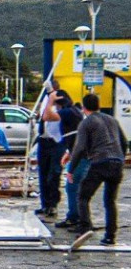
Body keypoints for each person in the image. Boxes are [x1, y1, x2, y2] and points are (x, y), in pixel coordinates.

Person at [64, 93, 128, 245]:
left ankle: (85, 228)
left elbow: (79, 148)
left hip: (100, 162)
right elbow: (124, 142)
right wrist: (121, 158)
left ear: (84, 108)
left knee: (83, 196)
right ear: (99, 105)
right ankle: (110, 236)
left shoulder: (86, 123)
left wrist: (71, 169)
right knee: (110, 201)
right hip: (117, 162)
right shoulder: (112, 120)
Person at [55, 94, 87, 229]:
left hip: (82, 157)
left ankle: (75, 217)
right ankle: (76, 217)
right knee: (75, 187)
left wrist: (50, 99)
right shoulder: (76, 113)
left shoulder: (68, 112)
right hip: (80, 155)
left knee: (72, 186)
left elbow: (47, 116)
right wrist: (68, 153)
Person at [35, 85, 67, 217]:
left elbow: (47, 117)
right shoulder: (45, 102)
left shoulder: (58, 105)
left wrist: (51, 100)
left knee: (54, 173)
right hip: (43, 140)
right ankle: (45, 204)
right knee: (43, 173)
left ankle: (53, 204)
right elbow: (41, 116)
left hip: (56, 142)